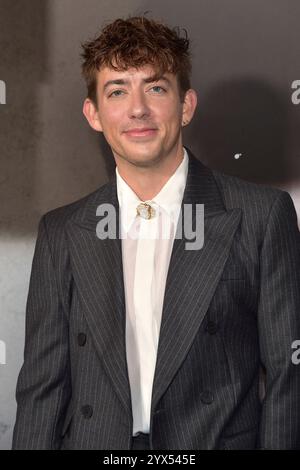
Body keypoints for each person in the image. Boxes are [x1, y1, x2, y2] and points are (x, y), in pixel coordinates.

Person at [12, 16, 300, 450]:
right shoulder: (62, 231)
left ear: (186, 105)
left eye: (156, 87)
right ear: (93, 114)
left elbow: (288, 375)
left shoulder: (262, 216)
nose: (137, 109)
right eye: (117, 91)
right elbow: (42, 390)